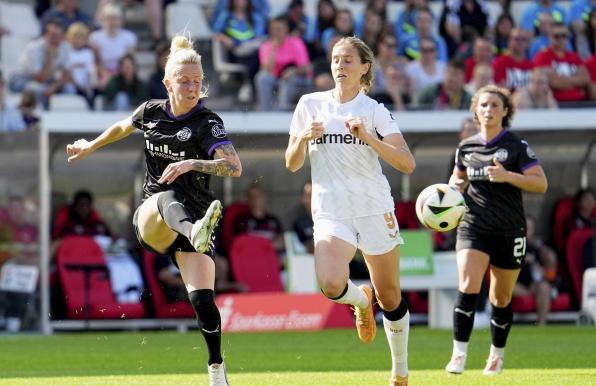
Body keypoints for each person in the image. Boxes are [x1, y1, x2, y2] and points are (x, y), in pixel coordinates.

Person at [65, 35, 242, 386]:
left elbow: (234, 167)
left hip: (195, 212)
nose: (193, 88)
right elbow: (122, 126)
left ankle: (217, 369)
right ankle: (194, 231)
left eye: (197, 82)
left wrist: (193, 162)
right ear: (168, 83)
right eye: (185, 81)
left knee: (203, 302)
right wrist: (91, 145)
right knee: (165, 196)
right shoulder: (150, 112)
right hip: (155, 220)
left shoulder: (207, 122)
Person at [285, 36, 416, 386]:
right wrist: (301, 140)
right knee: (330, 284)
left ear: (364, 67)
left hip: (373, 208)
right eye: (335, 60)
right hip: (331, 210)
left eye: (347, 60)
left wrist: (369, 138)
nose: (339, 66)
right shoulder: (310, 104)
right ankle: (360, 301)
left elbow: (407, 163)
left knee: (390, 295)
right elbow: (292, 163)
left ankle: (400, 371)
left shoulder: (375, 111)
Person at [445, 84, 548, 375]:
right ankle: (459, 355)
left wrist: (507, 176)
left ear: (505, 111)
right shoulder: (465, 147)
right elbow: (457, 180)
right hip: (473, 226)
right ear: (475, 111)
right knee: (467, 285)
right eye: (483, 105)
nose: (488, 110)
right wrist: (453, 189)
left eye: (494, 105)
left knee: (500, 298)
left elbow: (541, 184)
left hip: (509, 229)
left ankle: (496, 355)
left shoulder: (517, 146)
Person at [255, 16, 312, 111]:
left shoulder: (296, 43)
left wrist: (293, 71)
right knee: (262, 77)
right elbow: (267, 70)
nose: (276, 32)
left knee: (287, 80)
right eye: (273, 29)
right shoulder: (266, 46)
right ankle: (265, 112)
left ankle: (282, 113)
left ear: (286, 30)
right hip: (277, 79)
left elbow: (306, 67)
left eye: (279, 29)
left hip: (299, 79)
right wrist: (273, 50)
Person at [513, 215, 558, 325]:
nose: (527, 231)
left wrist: (542, 258)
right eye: (525, 227)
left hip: (532, 283)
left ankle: (541, 325)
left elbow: (548, 272)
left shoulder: (538, 248)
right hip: (515, 283)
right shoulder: (512, 244)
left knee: (544, 287)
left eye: (530, 228)